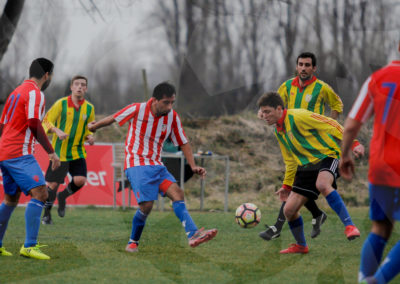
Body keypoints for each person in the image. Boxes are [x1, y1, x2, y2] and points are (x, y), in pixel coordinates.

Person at [88, 82, 217, 252]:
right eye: (166, 102)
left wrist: (192, 166)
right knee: (146, 206)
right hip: (136, 164)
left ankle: (192, 234)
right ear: (155, 100)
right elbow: (114, 117)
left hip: (156, 165)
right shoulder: (137, 109)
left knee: (177, 193)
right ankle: (133, 242)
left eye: (172, 102)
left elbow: (183, 142)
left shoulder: (172, 117)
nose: (170, 106)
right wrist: (94, 127)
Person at [260, 52, 349, 241]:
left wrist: (327, 124)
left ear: (314, 68)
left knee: (306, 184)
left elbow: (337, 105)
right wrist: (264, 112)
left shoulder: (322, 88)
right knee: (299, 183)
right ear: (296, 66)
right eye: (300, 64)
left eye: (307, 65)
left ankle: (280, 226)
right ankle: (315, 216)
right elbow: (274, 103)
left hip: (317, 145)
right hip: (295, 140)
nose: (303, 68)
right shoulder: (286, 87)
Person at [257, 92, 361, 254]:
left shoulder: (298, 116)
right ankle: (301, 245)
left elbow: (331, 124)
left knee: (322, 183)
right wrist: (286, 185)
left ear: (279, 109)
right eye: (262, 112)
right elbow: (290, 161)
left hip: (327, 155)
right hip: (306, 167)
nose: (264, 116)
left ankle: (350, 226)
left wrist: (354, 143)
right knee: (289, 210)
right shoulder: (279, 130)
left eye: (267, 112)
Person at [340, 42, 400, 284]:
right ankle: (378, 281)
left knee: (380, 228)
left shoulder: (377, 78)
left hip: (381, 168)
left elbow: (352, 124)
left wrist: (345, 154)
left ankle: (364, 279)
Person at [0, 58, 60, 260]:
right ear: (47, 75)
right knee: (41, 193)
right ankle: (29, 246)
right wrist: (51, 151)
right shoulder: (36, 93)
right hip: (19, 153)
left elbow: (2, 124)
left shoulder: (16, 92)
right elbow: (34, 123)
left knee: (10, 199)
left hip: (5, 152)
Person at [41, 75, 95, 224]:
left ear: (86, 88)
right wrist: (56, 130)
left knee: (80, 180)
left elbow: (89, 129)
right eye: (76, 84)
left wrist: (90, 137)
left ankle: (63, 197)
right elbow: (45, 121)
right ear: (71, 87)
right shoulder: (61, 104)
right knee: (52, 186)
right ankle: (47, 214)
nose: (79, 87)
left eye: (83, 85)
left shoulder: (89, 108)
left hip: (77, 152)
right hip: (60, 153)